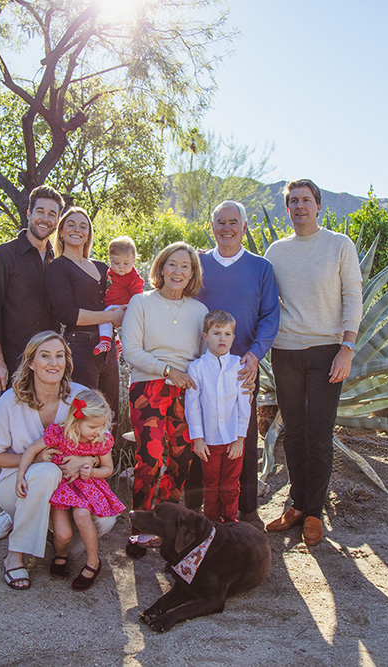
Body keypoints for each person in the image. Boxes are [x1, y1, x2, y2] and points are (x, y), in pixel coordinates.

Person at [263, 179, 362, 547]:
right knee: (294, 432)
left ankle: (315, 514)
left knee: (320, 434)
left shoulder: (339, 245)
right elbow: (265, 300)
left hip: (327, 352)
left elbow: (353, 294)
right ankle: (298, 505)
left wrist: (347, 347)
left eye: (306, 200)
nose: (299, 206)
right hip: (285, 351)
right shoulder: (276, 251)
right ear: (286, 208)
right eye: (293, 201)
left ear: (318, 206)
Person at [0, 331, 116, 590]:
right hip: (18, 486)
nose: (54, 362)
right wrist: (34, 460)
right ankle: (15, 554)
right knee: (46, 472)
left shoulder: (80, 395)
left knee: (104, 522)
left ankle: (49, 535)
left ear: (67, 361)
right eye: (45, 356)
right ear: (31, 362)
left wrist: (84, 458)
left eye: (59, 355)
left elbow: (102, 442)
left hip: (70, 489)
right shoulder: (9, 403)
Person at [190, 200, 280, 528]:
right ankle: (198, 510)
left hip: (241, 368)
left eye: (233, 222)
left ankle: (247, 509)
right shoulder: (198, 264)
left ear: (244, 227)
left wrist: (255, 355)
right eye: (220, 222)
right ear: (211, 227)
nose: (226, 228)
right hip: (200, 367)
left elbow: (271, 314)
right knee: (199, 436)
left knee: (242, 438)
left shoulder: (260, 268)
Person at [121, 241, 208, 557]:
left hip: (185, 391)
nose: (178, 271)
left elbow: (203, 355)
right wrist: (167, 370)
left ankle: (169, 525)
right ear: (161, 267)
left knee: (182, 459)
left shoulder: (199, 311)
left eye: (185, 266)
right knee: (152, 458)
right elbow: (131, 351)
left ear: (192, 273)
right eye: (172, 264)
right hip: (148, 387)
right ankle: (139, 528)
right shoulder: (140, 303)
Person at [16, 388, 125, 591]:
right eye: (93, 426)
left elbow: (107, 469)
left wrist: (91, 472)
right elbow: (31, 450)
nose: (99, 431)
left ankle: (93, 563)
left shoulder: (100, 441)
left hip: (87, 489)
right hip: (61, 490)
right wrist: (20, 476)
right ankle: (61, 554)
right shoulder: (59, 434)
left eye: (102, 426)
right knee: (63, 534)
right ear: (77, 421)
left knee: (82, 515)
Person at [0, 185, 64, 393]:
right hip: (15, 364)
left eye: (52, 214)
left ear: (58, 221)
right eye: (40, 211)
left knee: (50, 425)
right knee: (15, 424)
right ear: (29, 213)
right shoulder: (2, 256)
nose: (45, 218)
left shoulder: (59, 263)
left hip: (51, 367)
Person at [44, 207, 123, 414]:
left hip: (109, 348)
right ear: (60, 232)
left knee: (110, 412)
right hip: (79, 348)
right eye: (70, 225)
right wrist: (111, 316)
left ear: (89, 233)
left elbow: (124, 287)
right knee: (86, 413)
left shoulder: (101, 267)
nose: (77, 230)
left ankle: (110, 449)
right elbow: (67, 314)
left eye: (83, 226)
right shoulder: (58, 267)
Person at [184, 310, 252, 524]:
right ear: (205, 336)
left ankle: (231, 524)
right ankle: (212, 525)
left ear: (233, 337)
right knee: (211, 485)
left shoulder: (239, 366)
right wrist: (197, 439)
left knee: (231, 485)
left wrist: (240, 438)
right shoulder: (196, 368)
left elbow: (244, 405)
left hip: (233, 440)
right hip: (209, 441)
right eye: (216, 333)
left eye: (227, 334)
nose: (222, 338)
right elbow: (192, 406)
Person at [94, 235, 145, 355]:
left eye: (126, 263)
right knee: (106, 320)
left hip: (122, 306)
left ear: (134, 260)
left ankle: (105, 341)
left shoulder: (132, 278)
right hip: (111, 303)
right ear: (110, 259)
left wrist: (128, 308)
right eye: (116, 263)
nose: (121, 267)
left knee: (104, 317)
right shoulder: (110, 271)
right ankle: (116, 343)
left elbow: (137, 296)